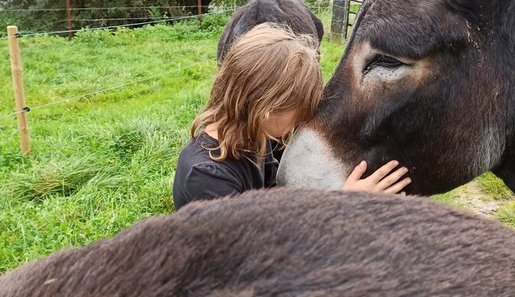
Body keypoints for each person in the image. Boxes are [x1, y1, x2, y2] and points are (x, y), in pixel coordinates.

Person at [172, 24, 411, 211]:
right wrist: (341, 204)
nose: (302, 119)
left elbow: (272, 204)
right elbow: (260, 253)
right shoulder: (206, 176)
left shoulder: (255, 139)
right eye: (299, 109)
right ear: (267, 107)